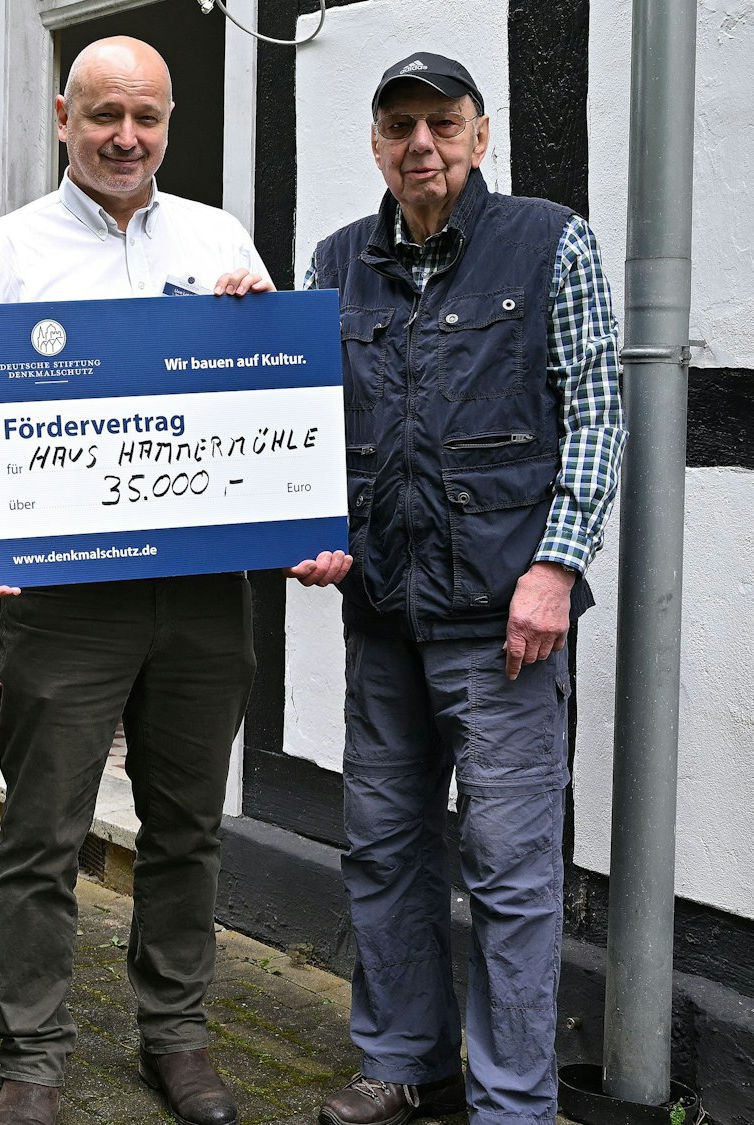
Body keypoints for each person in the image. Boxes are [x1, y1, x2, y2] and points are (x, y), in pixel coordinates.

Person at [0, 37, 274, 1125]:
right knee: (42, 832)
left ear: (169, 123)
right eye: (105, 114)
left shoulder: (218, 239)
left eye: (147, 118)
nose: (126, 137)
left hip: (203, 591)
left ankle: (175, 1037)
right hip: (62, 600)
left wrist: (257, 329)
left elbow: (268, 405)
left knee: (184, 826)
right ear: (64, 114)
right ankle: (33, 1055)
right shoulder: (5, 252)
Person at [298, 53, 624, 1125]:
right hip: (382, 616)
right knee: (383, 850)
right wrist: (308, 528)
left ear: (478, 135)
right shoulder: (335, 260)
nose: (419, 145)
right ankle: (404, 1064)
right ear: (377, 144)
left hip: (503, 625)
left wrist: (555, 564)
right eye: (398, 127)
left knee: (508, 870)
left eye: (441, 124)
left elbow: (595, 413)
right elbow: (298, 427)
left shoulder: (546, 240)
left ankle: (511, 1102)